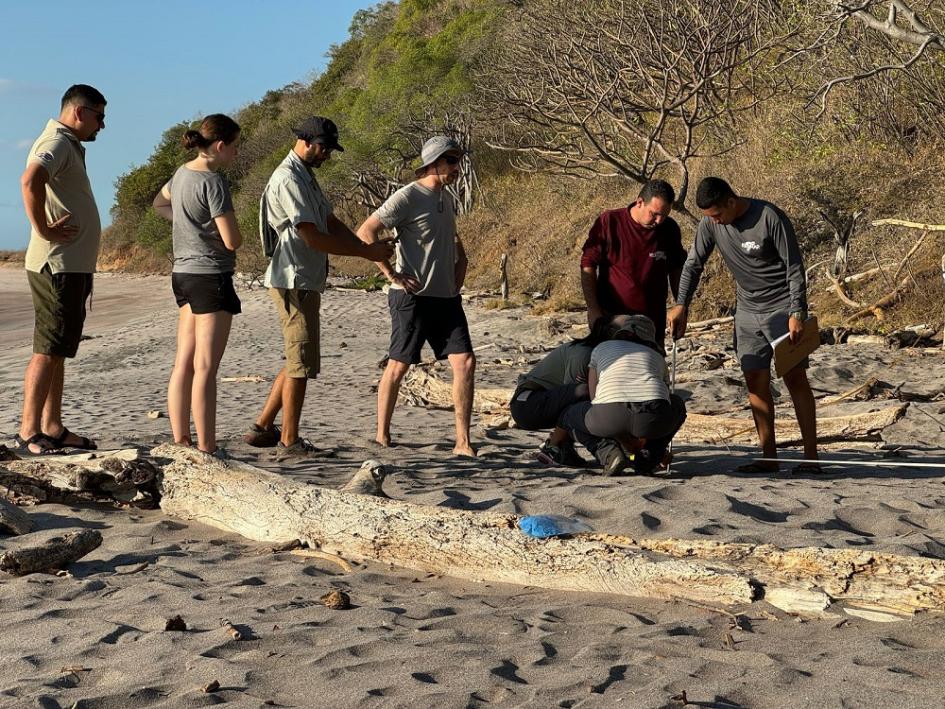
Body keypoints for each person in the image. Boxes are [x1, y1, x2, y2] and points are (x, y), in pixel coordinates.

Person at [242, 117, 395, 456]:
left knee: (300, 357)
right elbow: (311, 236)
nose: (327, 155)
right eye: (325, 148)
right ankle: (289, 440)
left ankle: (263, 427)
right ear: (308, 142)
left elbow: (328, 220)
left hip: (304, 279)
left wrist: (362, 247)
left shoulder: (304, 176)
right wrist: (364, 251)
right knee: (300, 362)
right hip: (293, 278)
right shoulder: (288, 178)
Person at [666, 177, 818, 473]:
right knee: (755, 381)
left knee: (795, 378)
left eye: (718, 215)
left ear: (731, 202)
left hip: (781, 306)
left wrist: (797, 310)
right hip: (747, 310)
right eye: (710, 218)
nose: (716, 222)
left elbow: (794, 267)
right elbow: (693, 263)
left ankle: (811, 458)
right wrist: (682, 303)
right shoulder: (710, 224)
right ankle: (768, 457)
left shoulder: (768, 217)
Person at [357, 136, 476, 456]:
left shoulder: (447, 199)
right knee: (398, 365)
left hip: (446, 298)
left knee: (465, 362)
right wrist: (391, 274)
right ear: (434, 163)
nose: (456, 168)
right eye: (451, 161)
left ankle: (463, 442)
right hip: (411, 297)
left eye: (458, 161)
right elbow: (365, 232)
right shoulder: (408, 196)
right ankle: (382, 435)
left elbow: (448, 242)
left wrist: (459, 266)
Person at [17, 84, 107, 455]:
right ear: (80, 112)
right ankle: (28, 430)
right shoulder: (55, 141)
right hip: (57, 264)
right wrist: (42, 227)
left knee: (59, 348)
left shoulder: (68, 144)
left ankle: (51, 426)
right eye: (100, 116)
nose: (103, 125)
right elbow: (30, 180)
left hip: (71, 266)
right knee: (47, 348)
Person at [152, 114, 243, 455]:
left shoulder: (180, 174)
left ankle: (180, 439)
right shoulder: (213, 182)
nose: (235, 153)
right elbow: (231, 239)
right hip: (210, 274)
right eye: (234, 147)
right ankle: (207, 447)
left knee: (183, 362)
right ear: (220, 146)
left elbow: (160, 203)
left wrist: (188, 223)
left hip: (183, 275)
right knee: (205, 366)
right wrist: (207, 227)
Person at [559, 314, 687, 476]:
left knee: (570, 415)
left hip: (609, 415)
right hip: (653, 418)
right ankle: (650, 457)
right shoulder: (657, 357)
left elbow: (594, 395)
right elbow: (666, 398)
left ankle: (608, 453)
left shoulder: (602, 347)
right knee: (677, 404)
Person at [581, 179, 686, 347]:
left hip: (652, 326)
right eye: (654, 214)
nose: (659, 221)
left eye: (664, 216)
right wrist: (592, 308)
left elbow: (676, 269)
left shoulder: (669, 229)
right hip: (612, 323)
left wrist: (681, 306)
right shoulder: (610, 222)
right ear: (639, 202)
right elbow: (588, 264)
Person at [511, 316, 616, 467]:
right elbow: (575, 400)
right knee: (583, 395)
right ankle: (553, 447)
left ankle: (563, 447)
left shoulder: (599, 355)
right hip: (527, 403)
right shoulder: (584, 353)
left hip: (544, 400)